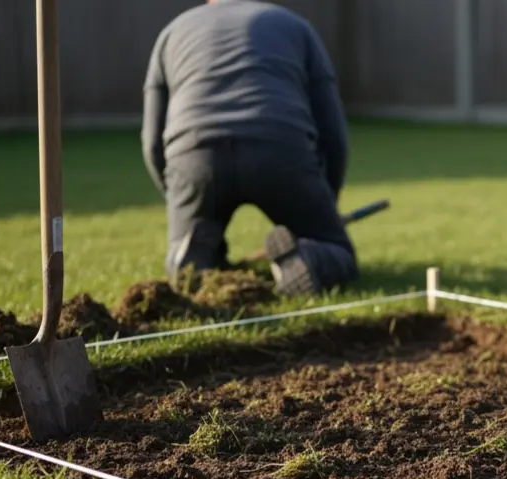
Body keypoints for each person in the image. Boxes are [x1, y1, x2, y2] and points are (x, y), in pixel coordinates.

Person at [140, 0, 357, 296]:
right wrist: (325, 208)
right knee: (339, 251)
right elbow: (334, 136)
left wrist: (181, 197)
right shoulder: (295, 26)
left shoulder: (172, 32)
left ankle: (193, 255)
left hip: (195, 155)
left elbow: (152, 142)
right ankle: (310, 255)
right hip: (280, 150)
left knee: (188, 247)